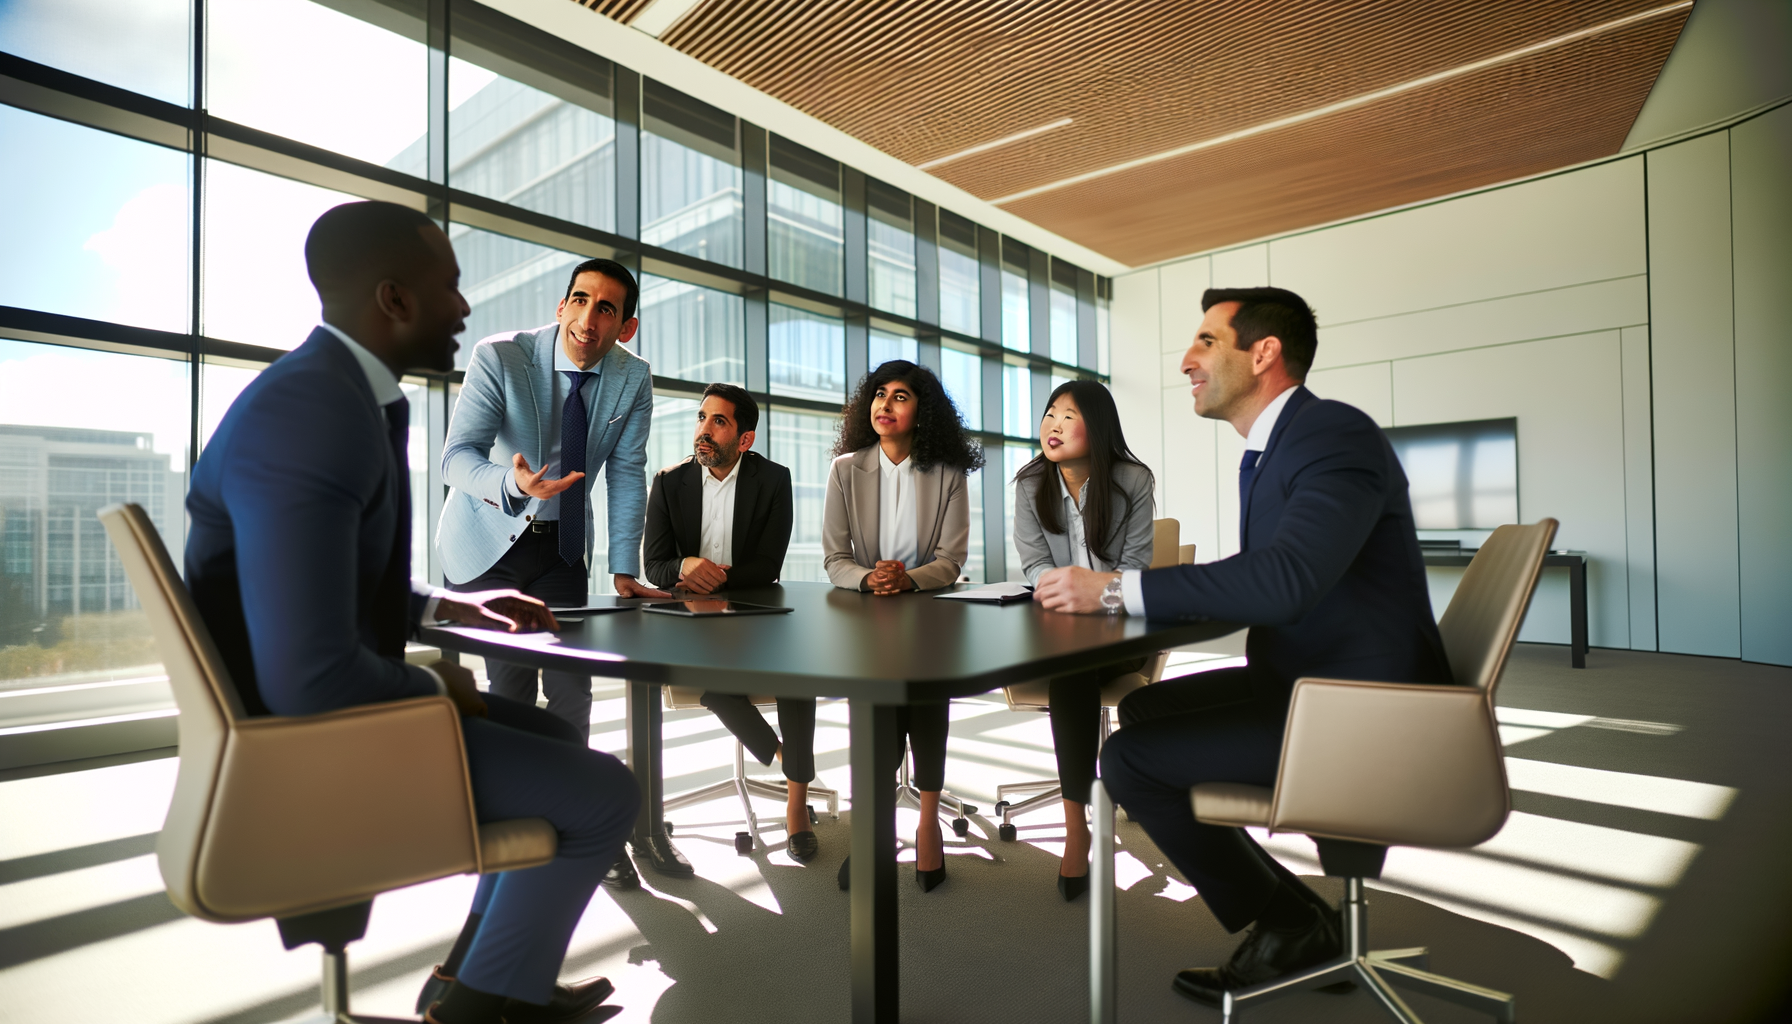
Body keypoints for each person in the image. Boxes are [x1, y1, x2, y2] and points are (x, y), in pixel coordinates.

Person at [185, 201, 636, 1024]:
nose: (465, 307)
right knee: (607, 793)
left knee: (559, 739)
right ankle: (485, 1008)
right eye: (449, 287)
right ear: (394, 299)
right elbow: (311, 674)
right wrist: (447, 698)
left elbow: (342, 585)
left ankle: (481, 979)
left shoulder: (340, 397)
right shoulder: (313, 416)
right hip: (304, 748)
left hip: (320, 719)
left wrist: (456, 602)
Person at [1034, 287, 1451, 1007]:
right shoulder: (1273, 451)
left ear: (1263, 354)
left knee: (1126, 759)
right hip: (1315, 681)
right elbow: (1279, 581)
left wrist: (1114, 590)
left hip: (1365, 713)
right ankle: (1293, 914)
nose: (1187, 361)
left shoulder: (1331, 433)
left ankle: (1290, 921)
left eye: (1206, 342)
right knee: (1144, 714)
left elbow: (1286, 578)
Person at [438, 256, 670, 736]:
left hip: (562, 546)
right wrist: (511, 483)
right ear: (562, 306)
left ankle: (571, 800)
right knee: (512, 685)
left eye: (606, 309)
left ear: (627, 328)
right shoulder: (501, 356)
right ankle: (518, 796)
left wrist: (624, 567)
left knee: (573, 687)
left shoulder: (634, 378)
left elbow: (626, 472)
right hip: (487, 544)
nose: (588, 320)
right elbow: (456, 458)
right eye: (580, 301)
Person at [823, 359, 982, 892]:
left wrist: (907, 579)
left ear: (923, 410)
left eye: (899, 396)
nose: (885, 406)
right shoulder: (846, 468)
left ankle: (928, 824)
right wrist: (872, 579)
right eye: (878, 395)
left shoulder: (947, 474)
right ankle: (871, 831)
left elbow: (951, 558)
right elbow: (833, 558)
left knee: (926, 711)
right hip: (867, 614)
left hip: (929, 611)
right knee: (872, 725)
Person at [640, 384, 816, 861]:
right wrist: (684, 567)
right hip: (691, 623)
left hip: (754, 616)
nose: (703, 429)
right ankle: (791, 764)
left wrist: (717, 576)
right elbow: (654, 565)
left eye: (718, 421)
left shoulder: (774, 479)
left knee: (799, 679)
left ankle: (797, 808)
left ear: (744, 439)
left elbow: (768, 565)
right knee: (716, 689)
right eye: (701, 418)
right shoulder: (668, 481)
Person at [1011, 379, 1155, 901]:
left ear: (1098, 425)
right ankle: (1079, 826)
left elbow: (1136, 568)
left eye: (1068, 415)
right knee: (1069, 665)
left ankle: (1079, 829)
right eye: (1049, 414)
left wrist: (1096, 598)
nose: (1053, 425)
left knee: (1071, 672)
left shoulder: (1132, 480)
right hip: (1060, 627)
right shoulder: (1030, 484)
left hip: (1121, 628)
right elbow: (1034, 564)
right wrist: (1063, 596)